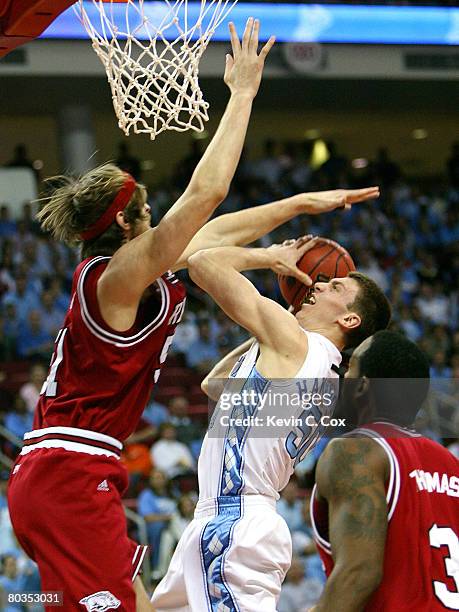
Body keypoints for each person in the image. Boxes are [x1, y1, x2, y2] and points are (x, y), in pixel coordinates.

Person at [8, 18, 277, 612]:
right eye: (149, 211)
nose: (159, 218)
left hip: (69, 472)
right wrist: (242, 95)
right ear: (126, 225)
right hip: (71, 472)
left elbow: (215, 228)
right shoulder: (116, 276)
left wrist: (304, 208)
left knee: (136, 601)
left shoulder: (127, 276)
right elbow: (204, 198)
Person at [152, 219, 391, 609]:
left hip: (236, 521)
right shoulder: (321, 370)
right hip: (228, 520)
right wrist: (270, 330)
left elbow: (202, 263)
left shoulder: (294, 343)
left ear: (349, 320)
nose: (316, 283)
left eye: (335, 286)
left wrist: (270, 258)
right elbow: (215, 387)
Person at [310, 330, 459, 611]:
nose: (343, 376)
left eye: (350, 366)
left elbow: (358, 576)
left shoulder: (355, 451)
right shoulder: (451, 463)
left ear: (364, 386)